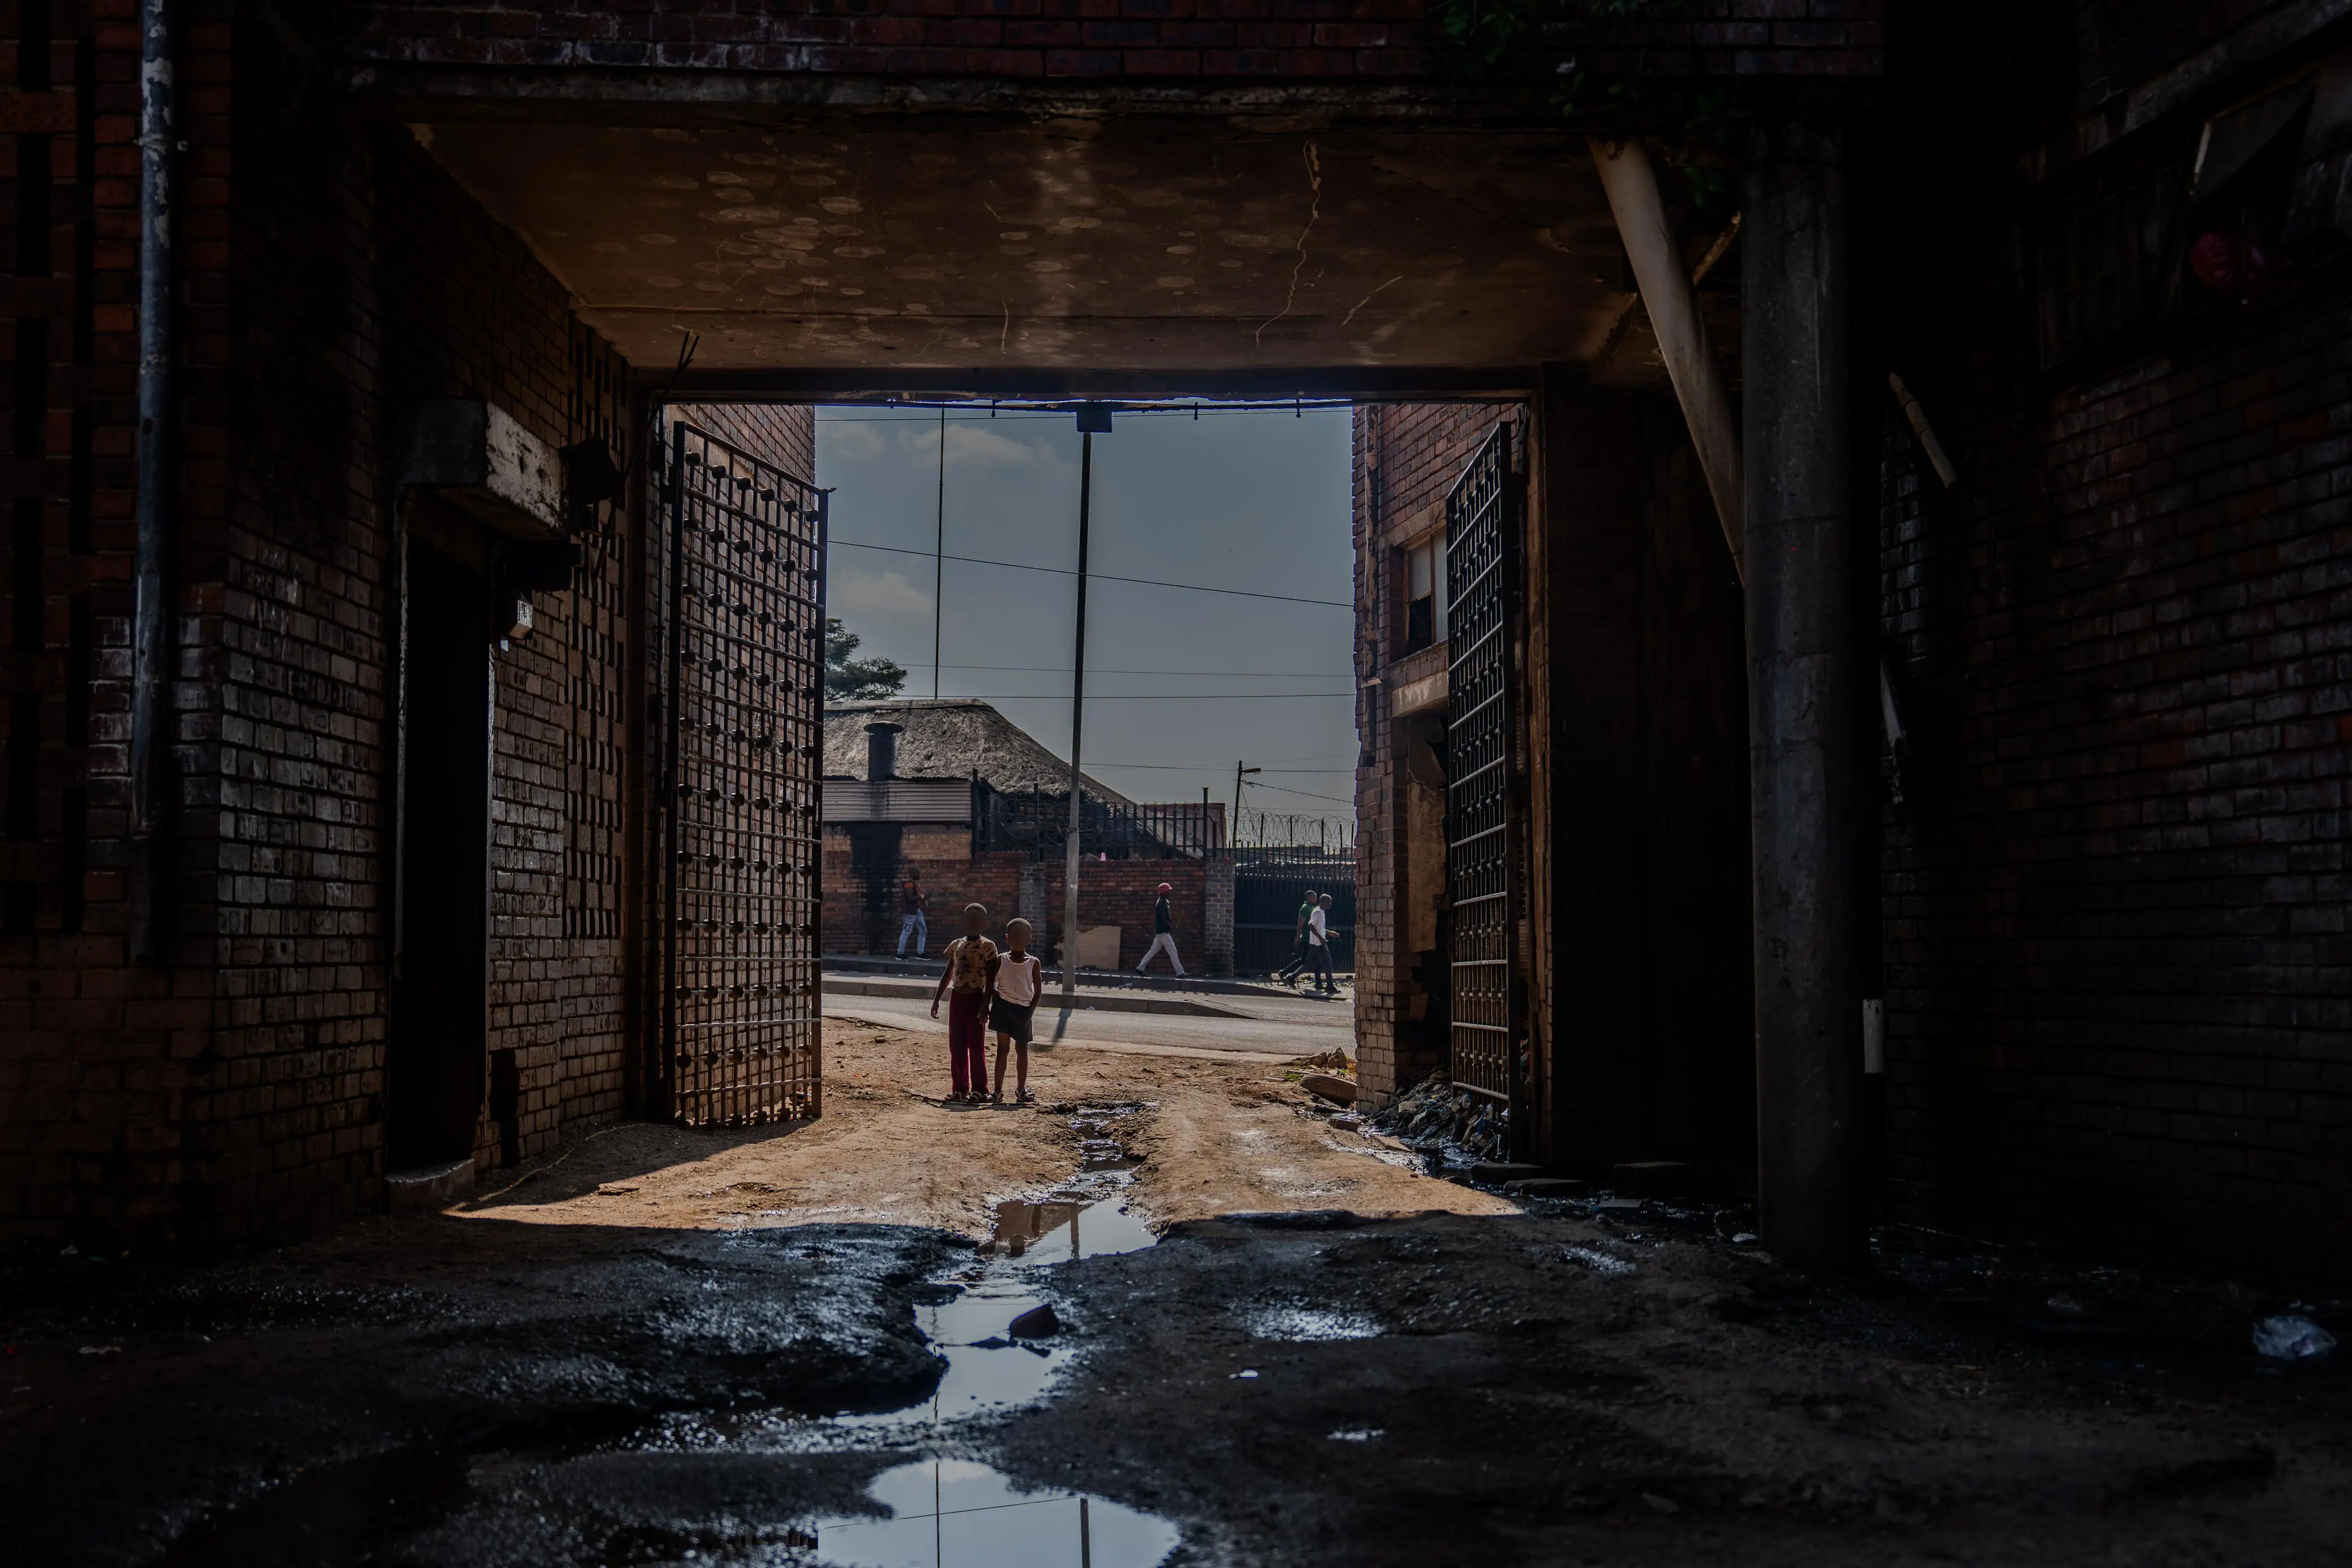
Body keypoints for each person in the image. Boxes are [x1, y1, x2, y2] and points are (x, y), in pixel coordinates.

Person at [928, 903, 997, 1101]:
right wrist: (937, 1000)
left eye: (977, 920)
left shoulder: (987, 946)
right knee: (956, 1046)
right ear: (962, 922)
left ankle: (980, 1089)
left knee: (976, 1047)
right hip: (956, 999)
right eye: (969, 920)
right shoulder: (956, 945)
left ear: (985, 924)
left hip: (976, 999)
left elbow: (992, 978)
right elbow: (949, 972)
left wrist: (986, 1004)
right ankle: (960, 1088)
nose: (972, 923)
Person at [989, 917, 1044, 1105]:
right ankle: (997, 1091)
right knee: (1002, 1050)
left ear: (1030, 938)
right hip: (1003, 1008)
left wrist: (1030, 1011)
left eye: (1022, 935)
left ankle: (1021, 1089)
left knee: (1022, 1050)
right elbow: (992, 983)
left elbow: (1038, 989)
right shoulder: (1000, 960)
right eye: (1014, 936)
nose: (1018, 939)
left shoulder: (1033, 962)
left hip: (1023, 1011)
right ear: (1007, 938)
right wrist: (996, 999)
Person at [1137, 881, 1186, 976]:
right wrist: (1169, 928)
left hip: (1161, 932)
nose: (1170, 893)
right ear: (1164, 892)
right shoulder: (1161, 903)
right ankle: (1180, 973)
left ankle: (1140, 968)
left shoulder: (1164, 902)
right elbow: (1163, 918)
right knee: (1173, 951)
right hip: (1164, 932)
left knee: (1152, 951)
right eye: (1168, 891)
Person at [1277, 888, 1318, 985]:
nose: (1316, 899)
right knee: (1304, 960)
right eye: (1314, 897)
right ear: (1309, 898)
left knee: (1314, 959)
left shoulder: (1311, 908)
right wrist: (1298, 937)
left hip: (1312, 939)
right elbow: (1300, 924)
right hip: (1307, 939)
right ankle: (1285, 973)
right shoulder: (1305, 908)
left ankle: (1318, 982)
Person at [1305, 893, 1338, 997]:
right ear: (1323, 902)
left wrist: (1329, 933)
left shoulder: (1321, 912)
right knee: (1328, 962)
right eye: (1329, 902)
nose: (1330, 905)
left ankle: (1291, 977)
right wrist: (1321, 938)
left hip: (1317, 942)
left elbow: (1319, 927)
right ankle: (1330, 985)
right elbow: (1311, 925)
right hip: (1318, 943)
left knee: (1309, 964)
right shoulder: (1318, 912)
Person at [896, 865, 928, 958]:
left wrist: (924, 897)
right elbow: (910, 897)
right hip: (910, 912)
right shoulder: (908, 884)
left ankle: (920, 953)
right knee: (906, 932)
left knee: (923, 930)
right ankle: (900, 953)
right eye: (917, 873)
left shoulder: (914, 884)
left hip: (916, 911)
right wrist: (922, 897)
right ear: (912, 874)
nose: (919, 875)